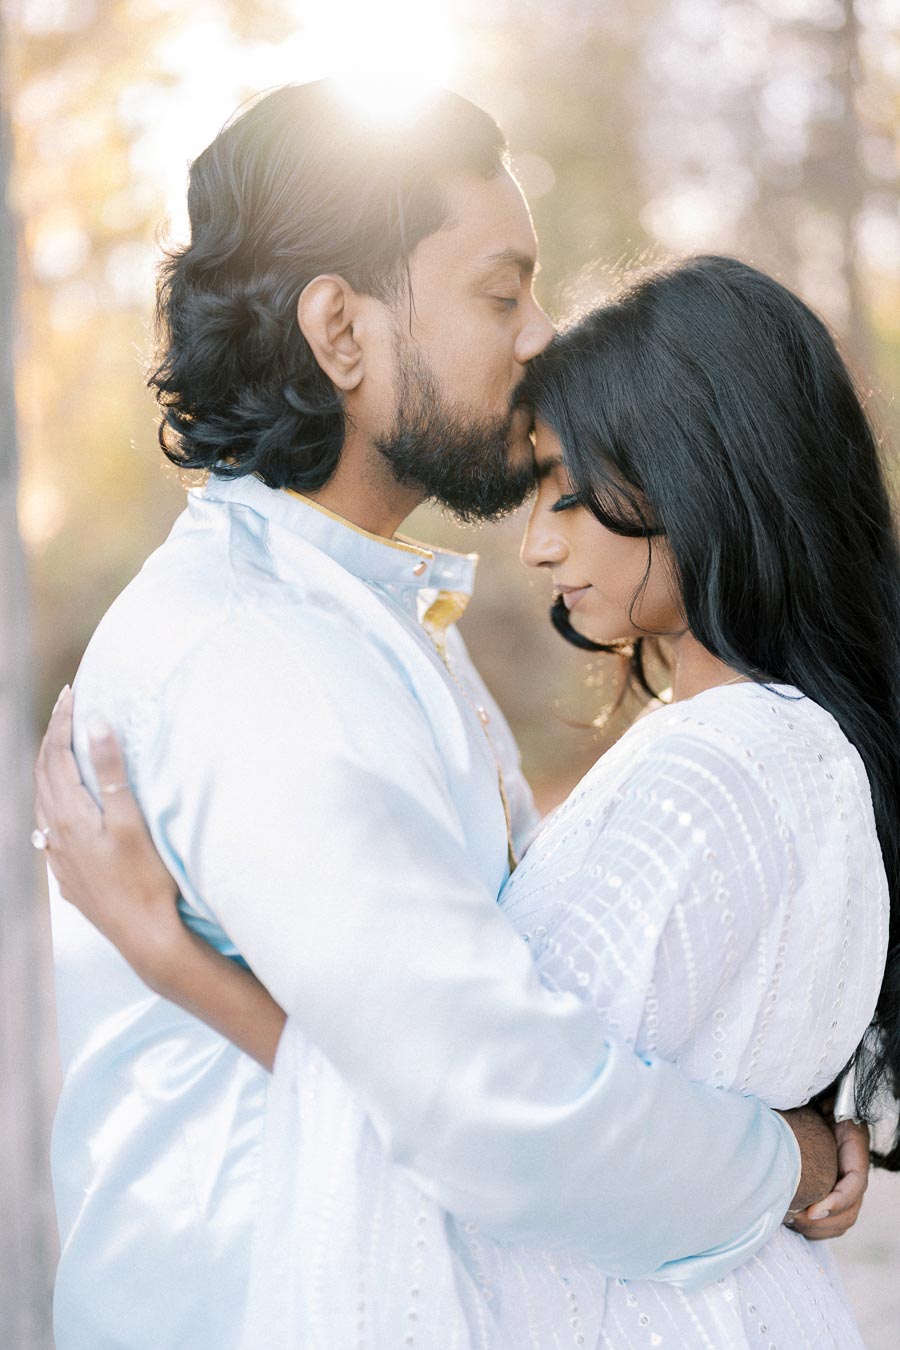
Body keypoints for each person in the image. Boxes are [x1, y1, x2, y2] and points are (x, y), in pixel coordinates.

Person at [35, 81, 853, 1350]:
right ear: (340, 331)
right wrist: (783, 1164)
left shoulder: (367, 619)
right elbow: (498, 1103)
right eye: (500, 293)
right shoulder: (264, 661)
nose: (540, 337)